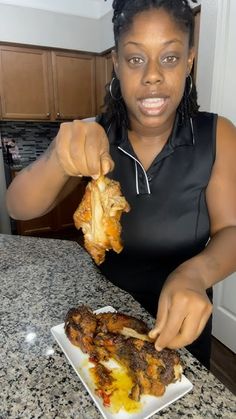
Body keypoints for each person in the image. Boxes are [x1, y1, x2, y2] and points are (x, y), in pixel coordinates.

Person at [6, 0, 236, 369]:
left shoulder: (216, 135)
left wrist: (195, 273)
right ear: (116, 63)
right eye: (135, 59)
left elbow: (231, 229)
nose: (152, 76)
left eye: (170, 58)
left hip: (183, 327)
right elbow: (18, 207)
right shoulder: (94, 138)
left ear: (189, 60)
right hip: (104, 321)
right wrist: (57, 157)